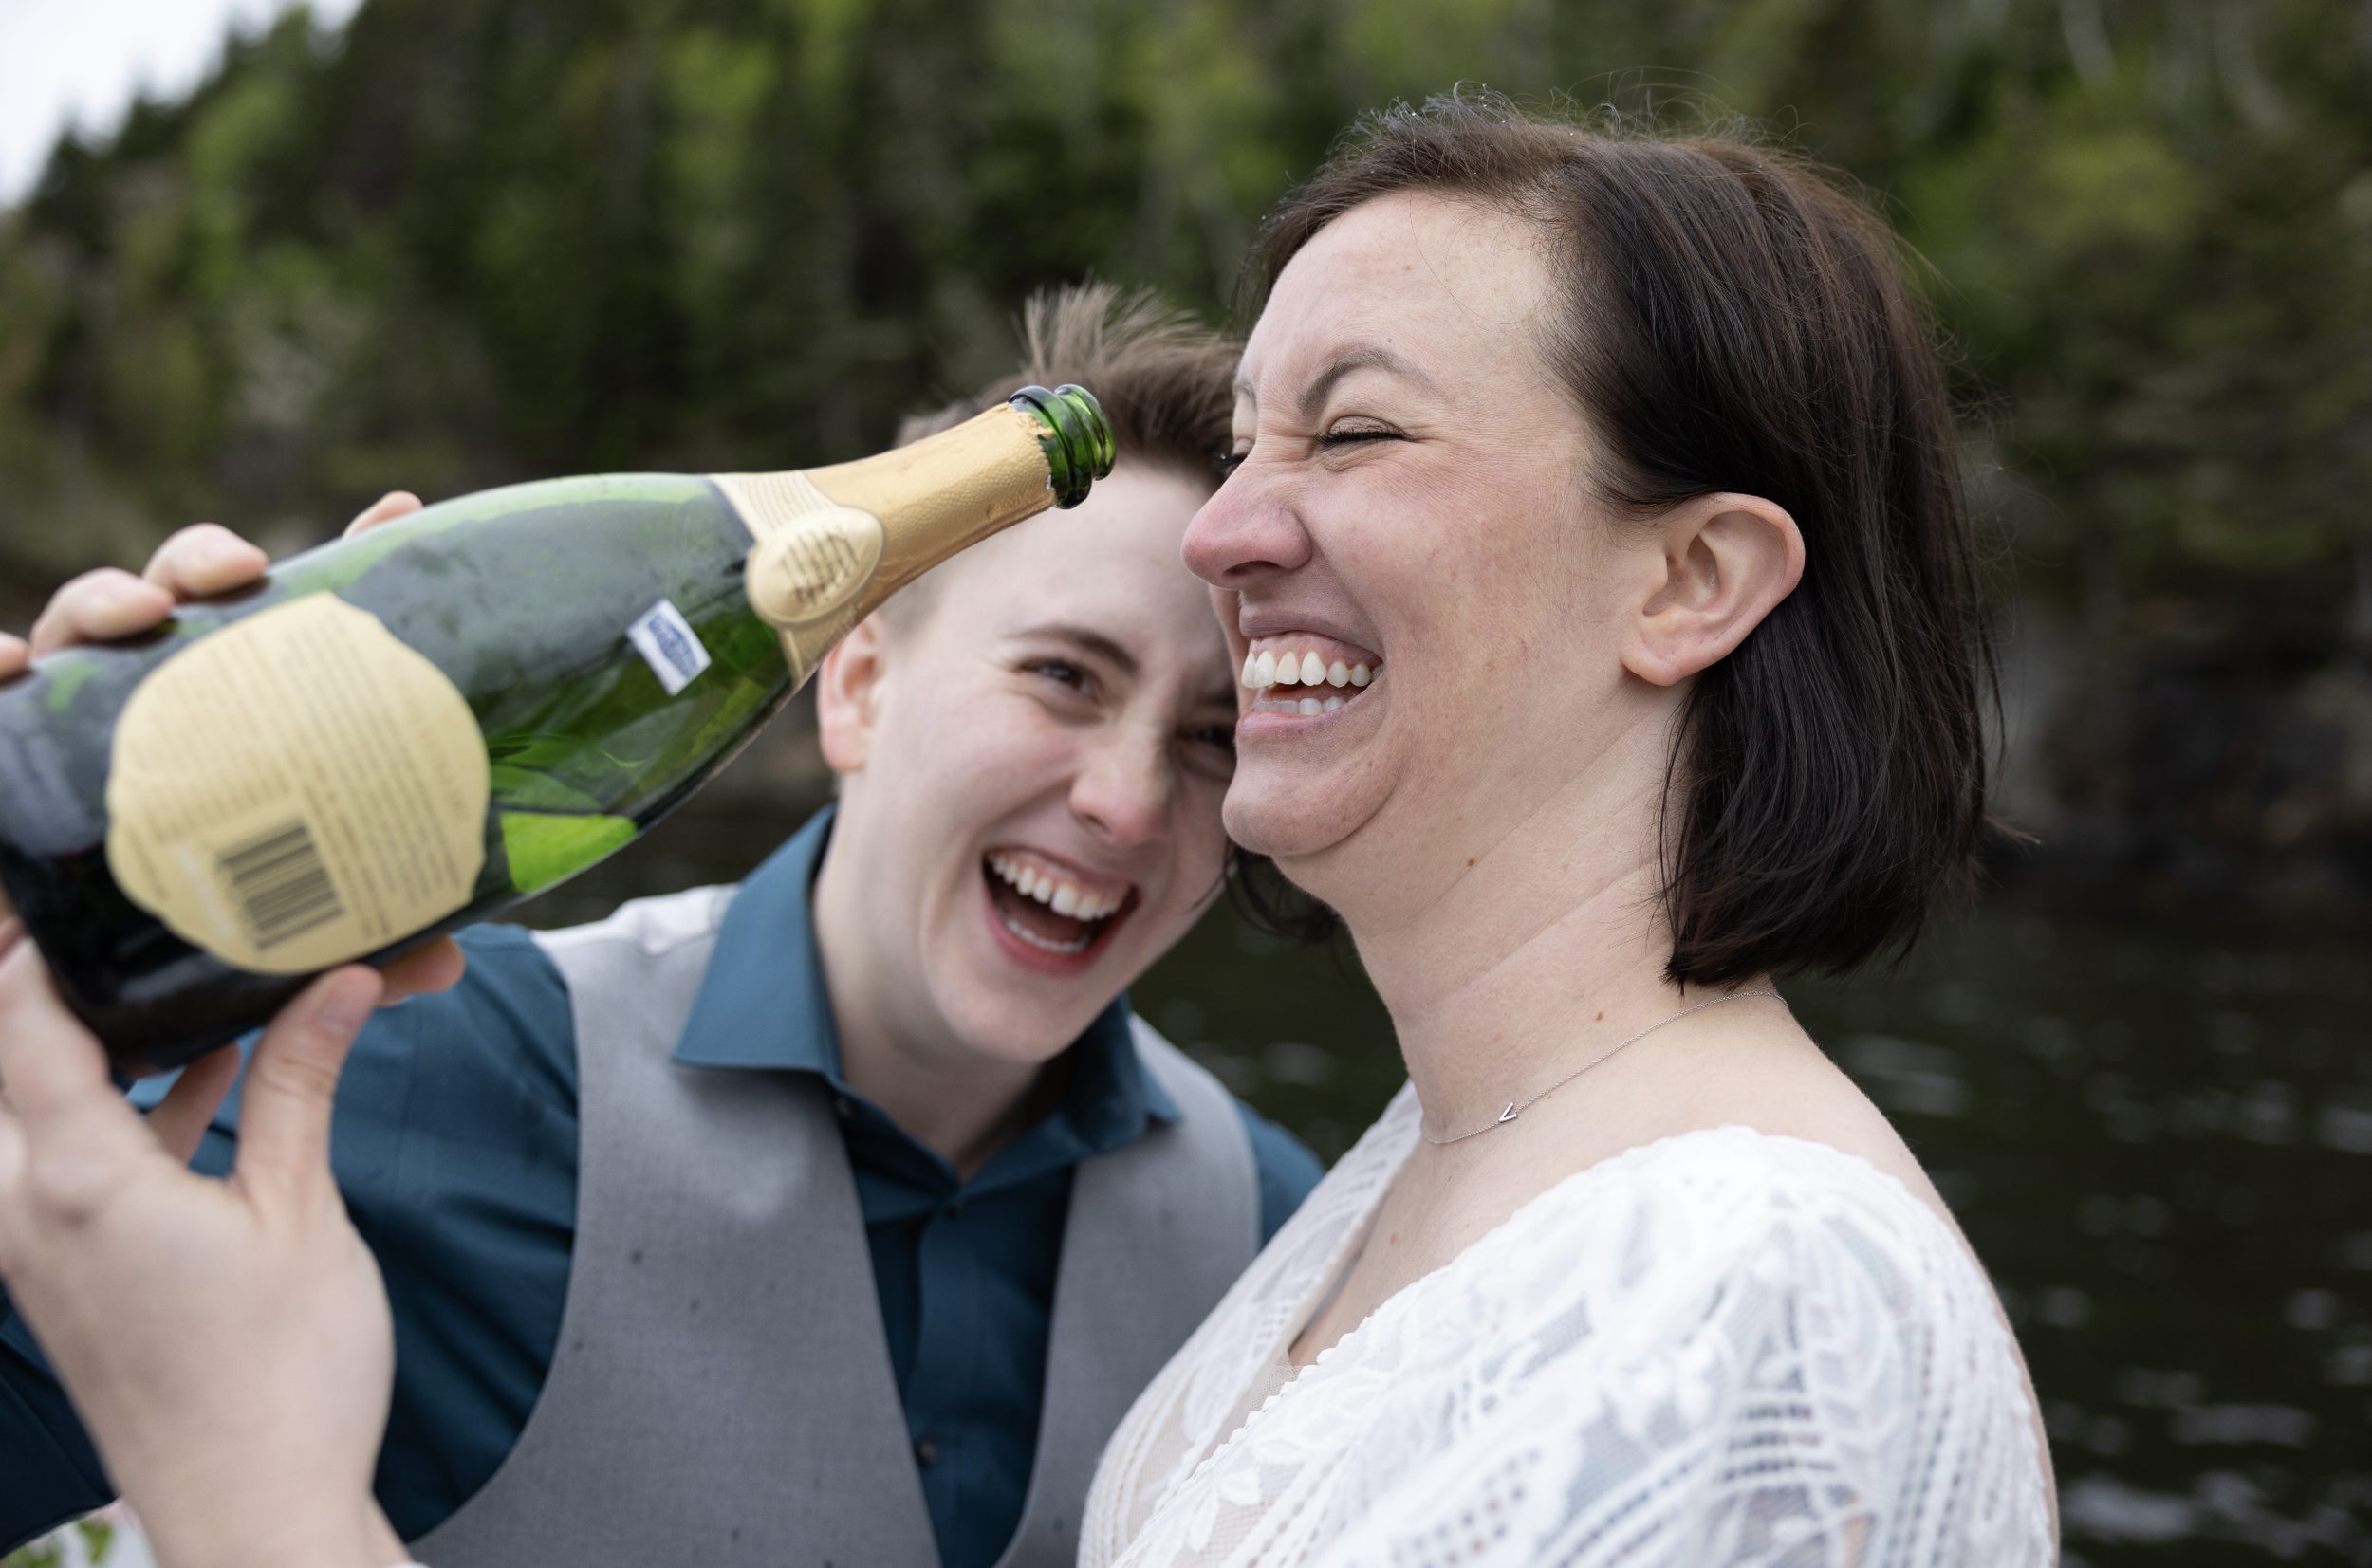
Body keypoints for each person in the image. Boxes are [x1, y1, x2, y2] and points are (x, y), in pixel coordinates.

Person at [0, 96, 2059, 1568]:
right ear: (852, 682)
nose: (1245, 550)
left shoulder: (1705, 1297)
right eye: (1065, 676)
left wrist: (251, 1491)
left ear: (1690, 578)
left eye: (1348, 430)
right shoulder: (1372, 1221)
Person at [0, 283, 1323, 1568]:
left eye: (1216, 736)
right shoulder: (414, 1068)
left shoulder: (1275, 1232)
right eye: (1063, 676)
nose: (1131, 803)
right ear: (853, 688)